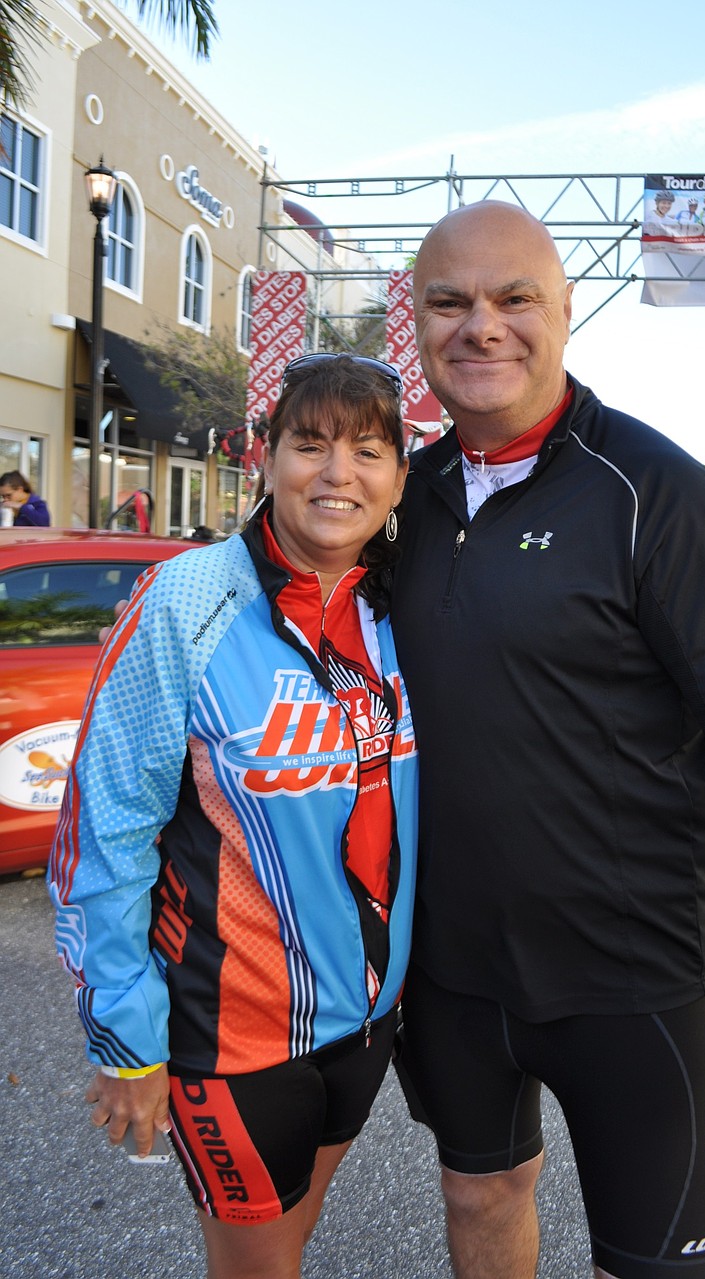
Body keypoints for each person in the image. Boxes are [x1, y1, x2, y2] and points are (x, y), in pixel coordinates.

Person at [389, 201, 705, 1279]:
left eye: (514, 298)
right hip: (451, 975)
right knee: (479, 1191)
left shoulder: (659, 494)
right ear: (415, 323)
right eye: (449, 302)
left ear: (564, 311)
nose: (481, 325)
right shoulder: (401, 498)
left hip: (632, 986)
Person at [49, 354, 417, 1279]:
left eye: (368, 450)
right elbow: (106, 830)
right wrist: (125, 1037)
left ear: (400, 477)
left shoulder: (405, 606)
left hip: (367, 1020)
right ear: (266, 456)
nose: (338, 473)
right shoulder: (187, 599)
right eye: (311, 444)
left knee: (291, 1239)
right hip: (230, 1030)